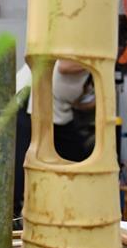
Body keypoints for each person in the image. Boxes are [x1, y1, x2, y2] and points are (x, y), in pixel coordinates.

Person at [13, 59, 94, 220]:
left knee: (79, 159)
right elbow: (64, 65)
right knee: (24, 163)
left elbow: (79, 97)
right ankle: (16, 217)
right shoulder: (89, 50)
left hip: (59, 111)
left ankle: (70, 212)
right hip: (32, 103)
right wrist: (101, 62)